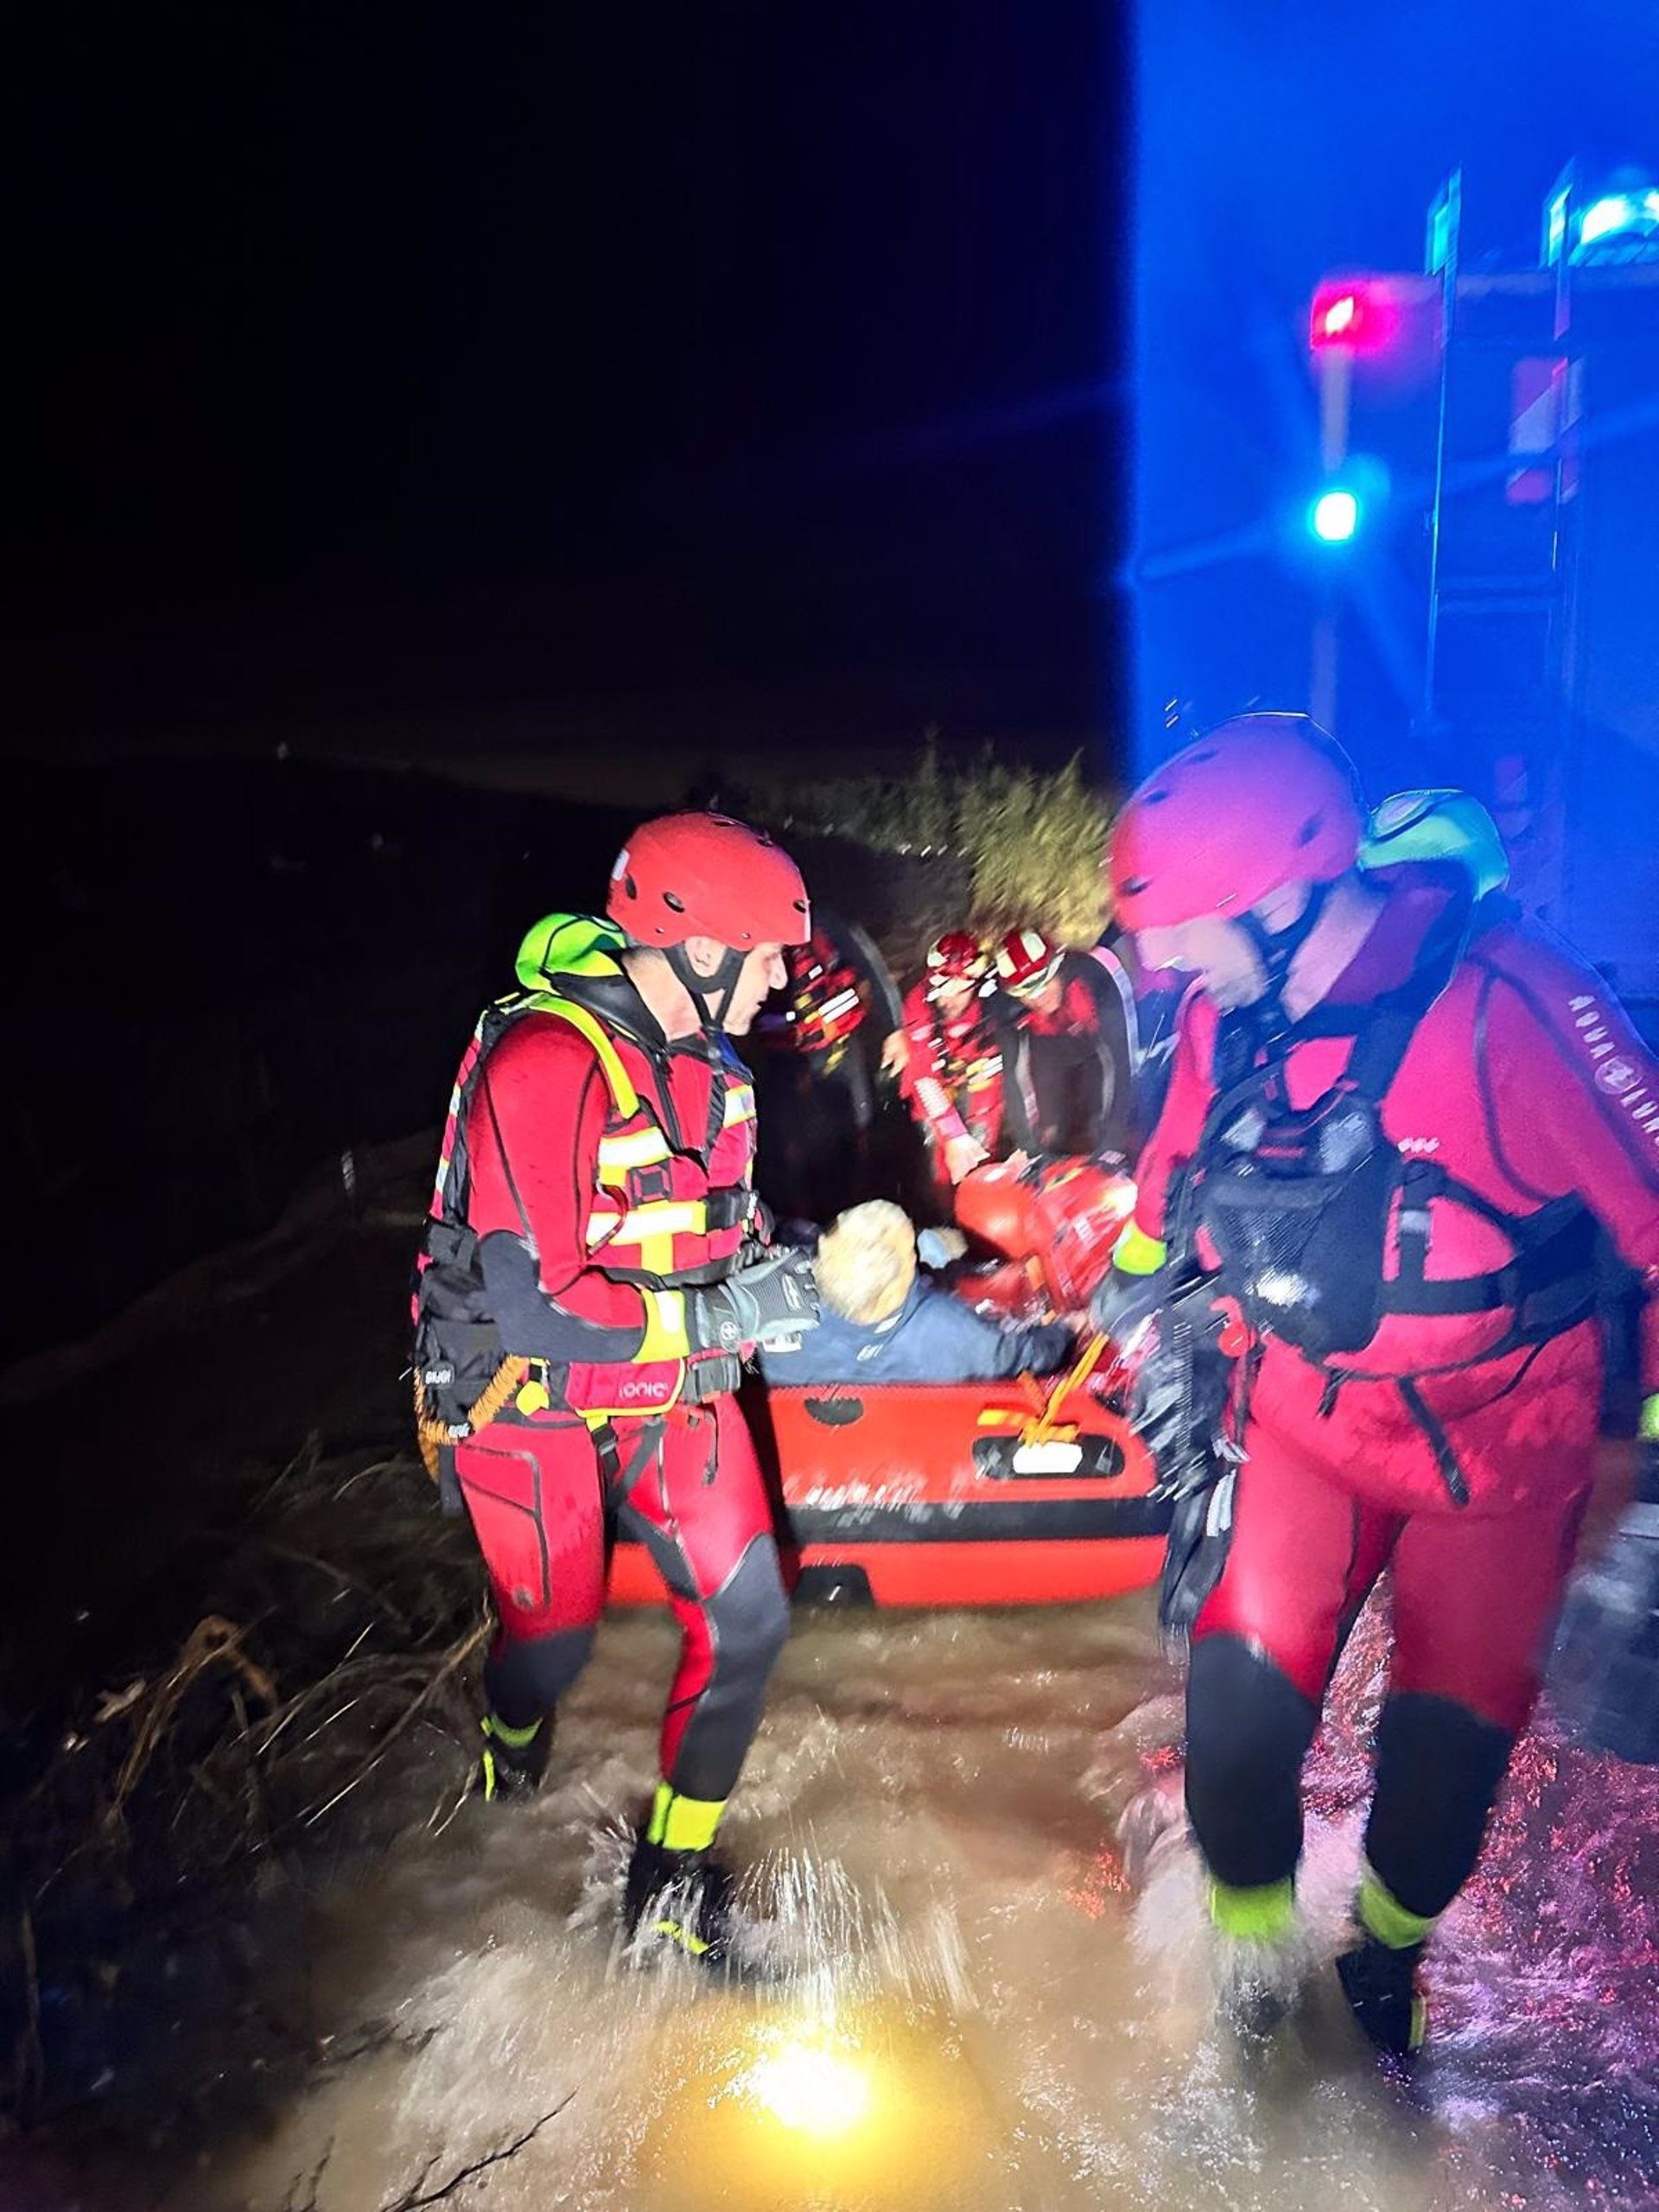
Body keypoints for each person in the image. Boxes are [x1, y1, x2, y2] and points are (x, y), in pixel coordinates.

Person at [1099, 715, 1659, 2058]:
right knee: (1233, 1740)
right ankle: (1251, 1972)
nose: (1167, 964)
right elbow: (1165, 1198)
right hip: (1306, 1427)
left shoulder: (1514, 1003)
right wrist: (1132, 1293)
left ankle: (1385, 1960)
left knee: (1437, 1792)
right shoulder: (1231, 1016)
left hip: (1499, 1464)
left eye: (1185, 930)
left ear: (1286, 897)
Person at [412, 813, 821, 1967]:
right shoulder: (543, 1058)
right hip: (526, 1389)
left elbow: (714, 1236)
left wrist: (791, 1266)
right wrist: (719, 1317)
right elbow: (538, 1303)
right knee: (555, 1643)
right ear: (698, 951)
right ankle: (513, 1732)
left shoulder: (719, 1074)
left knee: (749, 1621)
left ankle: (672, 1879)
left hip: (659, 1381)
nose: (783, 976)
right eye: (768, 950)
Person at [760, 1200, 1072, 1386]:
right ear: (900, 1278)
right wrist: (1065, 1331)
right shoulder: (950, 1333)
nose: (914, 1257)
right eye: (911, 1251)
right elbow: (1031, 1355)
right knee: (936, 1245)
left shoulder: (768, 1308)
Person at [992, 928, 1138, 1165]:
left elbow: (1121, 1060)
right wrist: (1031, 1151)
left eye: (1044, 982)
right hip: (1049, 1044)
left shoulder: (1096, 976)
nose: (1038, 997)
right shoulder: (1007, 1009)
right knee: (1050, 1129)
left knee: (1100, 1124)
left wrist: (1111, 1144)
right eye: (1026, 992)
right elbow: (1015, 1078)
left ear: (1058, 965)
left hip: (1096, 1041)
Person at [890, 932, 1005, 1190]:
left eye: (961, 990)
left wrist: (975, 1138)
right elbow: (923, 1078)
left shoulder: (993, 1000)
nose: (951, 1000)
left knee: (981, 1148)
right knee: (939, 1166)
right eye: (944, 989)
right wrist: (952, 1133)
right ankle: (942, 1213)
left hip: (978, 1081)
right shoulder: (918, 1003)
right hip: (934, 1083)